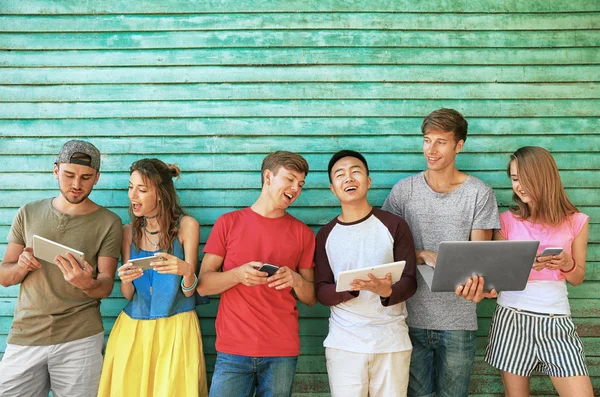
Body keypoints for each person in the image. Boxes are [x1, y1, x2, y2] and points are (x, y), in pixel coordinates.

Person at [456, 146, 594, 397]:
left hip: (556, 320)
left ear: (543, 176)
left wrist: (566, 264)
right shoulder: (505, 221)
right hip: (512, 319)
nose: (518, 186)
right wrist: (522, 265)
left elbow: (578, 277)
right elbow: (493, 279)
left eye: (524, 177)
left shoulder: (577, 221)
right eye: (514, 178)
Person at [381, 108, 500, 397]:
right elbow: (385, 249)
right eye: (426, 140)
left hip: (459, 323)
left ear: (459, 145)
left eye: (440, 142)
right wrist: (423, 254)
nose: (430, 150)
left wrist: (482, 286)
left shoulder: (479, 194)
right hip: (408, 321)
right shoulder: (403, 191)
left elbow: (480, 260)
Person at [0, 140, 122, 397]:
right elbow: (4, 276)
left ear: (97, 178)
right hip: (26, 334)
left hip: (80, 337)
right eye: (69, 175)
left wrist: (87, 283)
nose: (77, 184)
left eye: (86, 177)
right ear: (56, 171)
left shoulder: (109, 222)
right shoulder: (28, 212)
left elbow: (106, 284)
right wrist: (21, 267)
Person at [197, 150, 316, 397]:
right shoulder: (228, 223)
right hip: (233, 350)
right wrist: (237, 275)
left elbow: (311, 296)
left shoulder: (303, 233)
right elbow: (203, 285)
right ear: (268, 177)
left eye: (301, 184)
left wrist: (295, 280)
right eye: (290, 179)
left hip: (281, 351)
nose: (295, 188)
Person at [98, 158, 208, 397]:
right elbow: (128, 294)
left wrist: (187, 271)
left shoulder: (187, 226)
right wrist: (125, 278)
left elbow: (189, 291)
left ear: (160, 193)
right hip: (133, 328)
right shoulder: (127, 232)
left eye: (141, 189)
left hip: (177, 326)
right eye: (130, 187)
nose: (132, 195)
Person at [315, 150, 417, 396]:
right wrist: (350, 287)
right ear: (333, 188)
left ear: (368, 182)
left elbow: (411, 282)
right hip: (344, 344)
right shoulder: (326, 234)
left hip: (391, 342)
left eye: (355, 172)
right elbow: (321, 290)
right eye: (340, 175)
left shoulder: (394, 225)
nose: (348, 178)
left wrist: (387, 291)